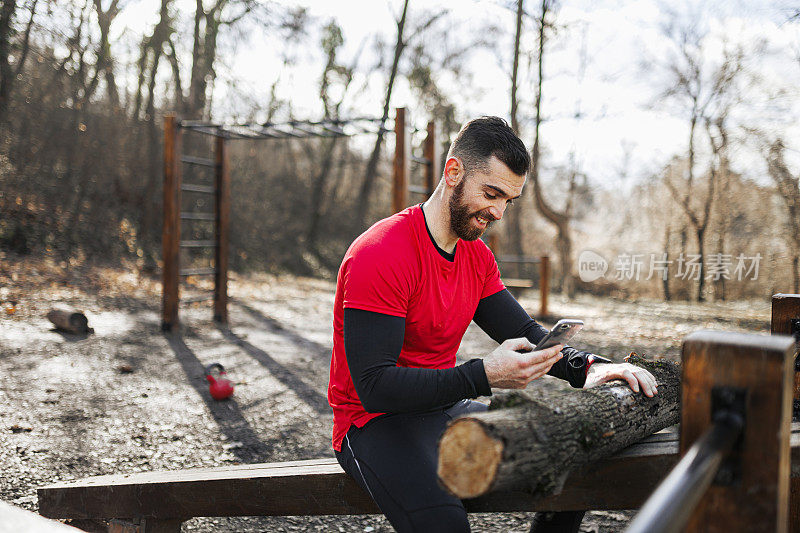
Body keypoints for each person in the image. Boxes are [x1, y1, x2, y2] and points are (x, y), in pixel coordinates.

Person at [327, 116, 658, 533]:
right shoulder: (380, 253)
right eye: (492, 193)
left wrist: (593, 367)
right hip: (372, 423)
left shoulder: (476, 257)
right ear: (453, 172)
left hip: (441, 407)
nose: (498, 212)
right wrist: (483, 375)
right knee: (446, 524)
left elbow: (528, 334)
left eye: (509, 200)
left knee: (573, 466)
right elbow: (374, 388)